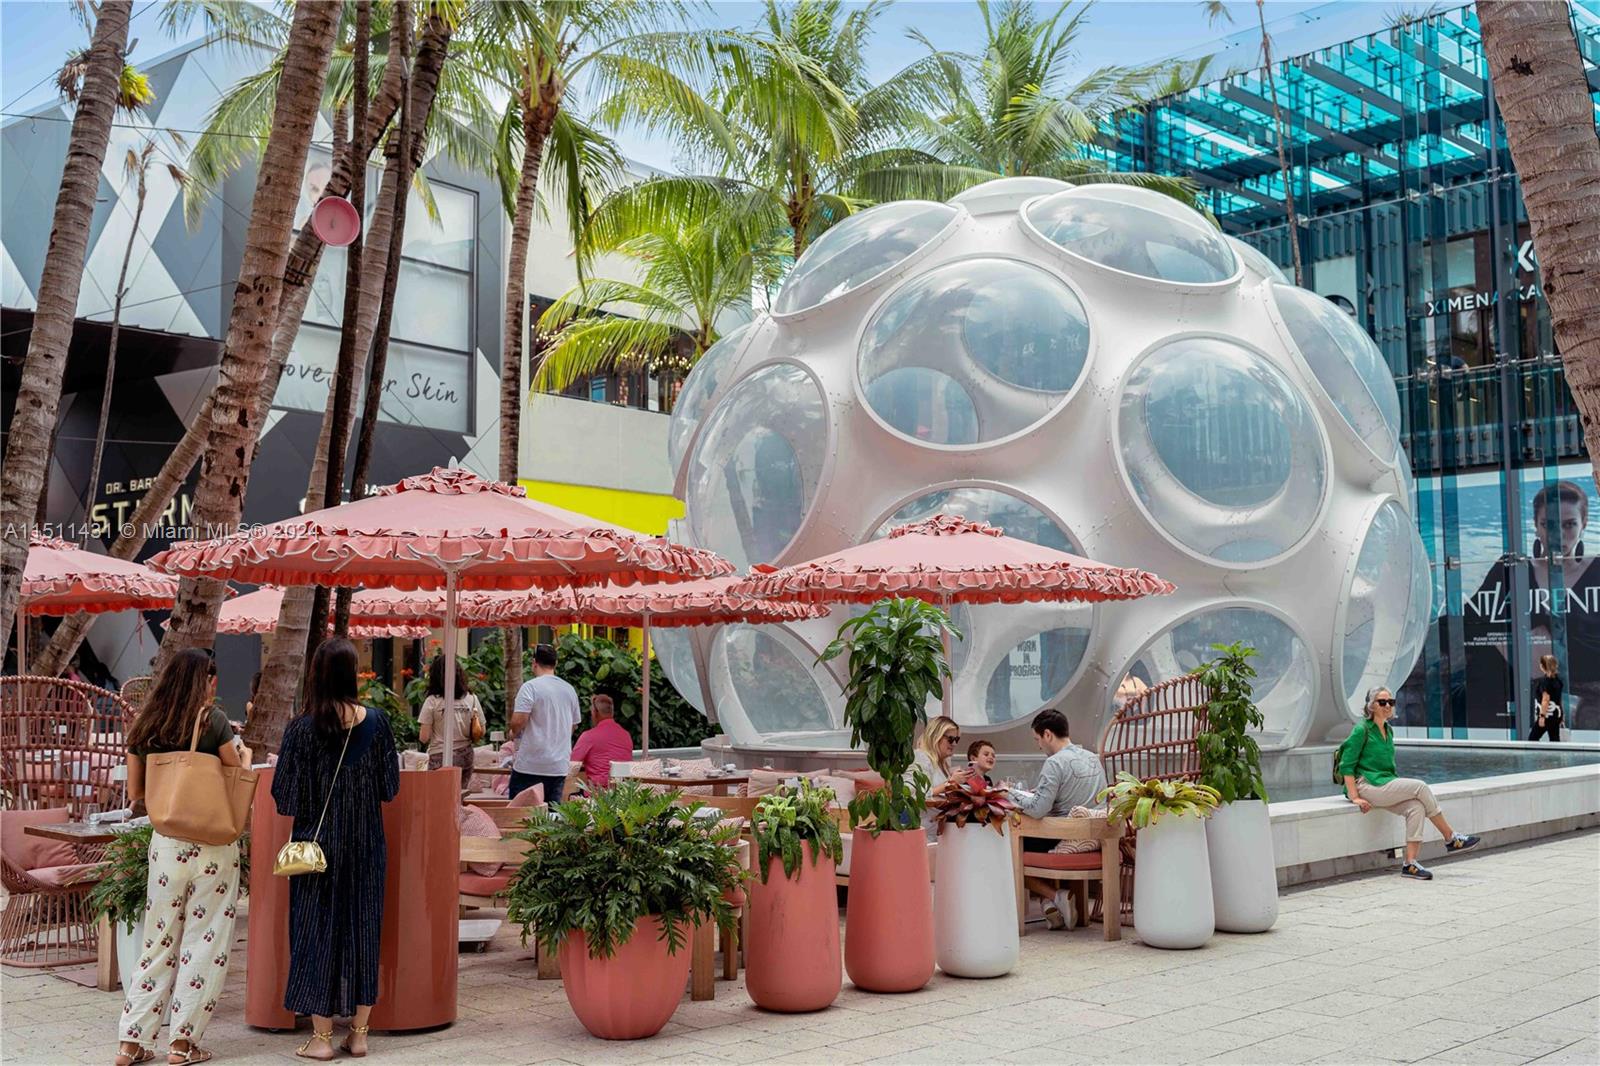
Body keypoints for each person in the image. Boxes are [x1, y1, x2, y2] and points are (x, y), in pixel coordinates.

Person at [114, 649, 249, 1066]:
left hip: (168, 843)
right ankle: (182, 1044)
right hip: (212, 843)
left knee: (157, 941)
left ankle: (132, 1042)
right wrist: (243, 754)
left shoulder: (145, 724)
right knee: (205, 940)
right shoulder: (213, 721)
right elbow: (234, 775)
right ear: (205, 680)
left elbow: (136, 794)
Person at [272, 639, 399, 1060]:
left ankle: (322, 1039)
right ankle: (359, 1035)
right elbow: (390, 788)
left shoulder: (300, 730)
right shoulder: (378, 723)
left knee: (315, 935)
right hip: (366, 847)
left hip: (316, 852)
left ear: (316, 675)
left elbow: (285, 798)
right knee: (364, 932)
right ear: (352, 675)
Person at [1341, 687, 1480, 880]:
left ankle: (1410, 864)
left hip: (1384, 783)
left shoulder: (1388, 730)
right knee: (1420, 786)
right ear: (1371, 705)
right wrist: (1355, 797)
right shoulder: (1361, 729)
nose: (1388, 706)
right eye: (1382, 702)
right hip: (1367, 785)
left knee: (1416, 807)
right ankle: (1450, 837)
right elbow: (1346, 765)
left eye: (1391, 702)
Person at [1014, 709, 1106, 929]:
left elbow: (1038, 809)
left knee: (1007, 850)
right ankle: (1050, 905)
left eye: (1037, 739)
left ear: (1047, 734)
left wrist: (1008, 794)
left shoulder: (1054, 763)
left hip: (1062, 837)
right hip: (1095, 837)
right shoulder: (1093, 758)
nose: (1038, 745)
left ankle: (1054, 897)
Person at [509, 643, 581, 804]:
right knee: (551, 814)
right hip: (558, 766)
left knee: (520, 813)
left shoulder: (530, 688)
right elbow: (573, 725)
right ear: (556, 663)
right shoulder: (569, 690)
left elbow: (518, 721)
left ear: (534, 663)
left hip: (530, 765)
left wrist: (513, 733)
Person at [416, 655, 485, 772]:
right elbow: (482, 730)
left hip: (439, 756)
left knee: (439, 785)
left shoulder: (432, 701)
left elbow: (424, 737)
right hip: (465, 756)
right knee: (461, 785)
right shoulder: (472, 698)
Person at [569, 692, 633, 790]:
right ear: (611, 712)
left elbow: (571, 768)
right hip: (624, 793)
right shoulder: (626, 735)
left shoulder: (589, 736)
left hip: (598, 795)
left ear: (594, 712)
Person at [1530, 655, 1564, 742]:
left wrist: (1542, 717)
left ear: (1543, 666)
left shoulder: (1544, 682)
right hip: (1556, 716)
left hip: (1547, 716)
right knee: (1554, 739)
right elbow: (1559, 699)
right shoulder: (1558, 680)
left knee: (1532, 739)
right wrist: (1561, 715)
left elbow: (1545, 699)